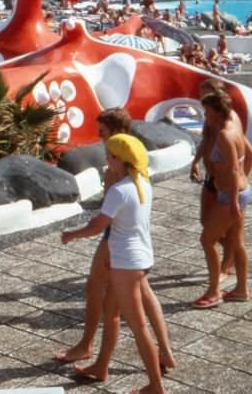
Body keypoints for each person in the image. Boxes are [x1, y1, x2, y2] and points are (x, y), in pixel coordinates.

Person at [55, 109, 173, 377]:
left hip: (117, 242)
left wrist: (73, 234)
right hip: (139, 246)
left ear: (115, 135)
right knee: (135, 298)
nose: (100, 138)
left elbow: (104, 219)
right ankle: (161, 351)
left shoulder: (116, 171)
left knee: (104, 297)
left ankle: (89, 348)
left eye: (103, 133)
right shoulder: (137, 163)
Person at [194, 88, 252, 307]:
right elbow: (249, 156)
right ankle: (241, 290)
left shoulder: (224, 135)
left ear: (218, 112)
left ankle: (213, 292)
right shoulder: (231, 128)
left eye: (207, 112)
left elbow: (231, 171)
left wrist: (232, 203)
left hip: (230, 195)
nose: (205, 116)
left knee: (207, 240)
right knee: (236, 242)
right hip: (237, 192)